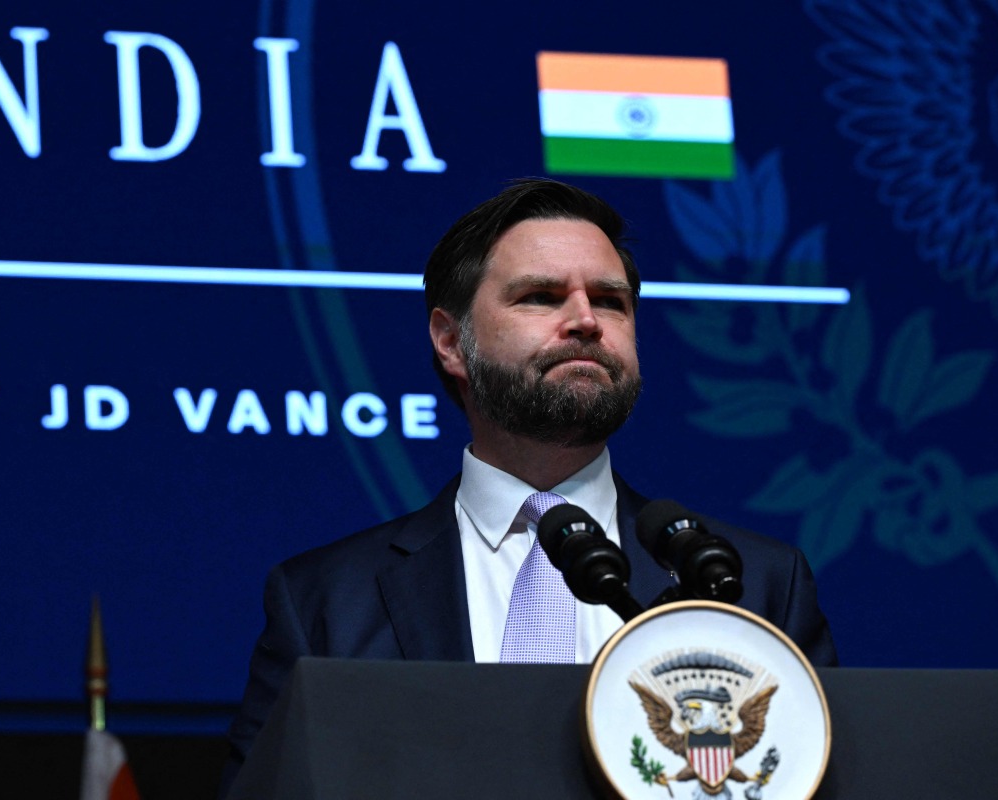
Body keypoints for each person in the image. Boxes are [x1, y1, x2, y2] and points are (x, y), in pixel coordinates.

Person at [220, 178, 836, 790]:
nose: (587, 321)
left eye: (611, 300)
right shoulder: (324, 602)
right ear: (450, 342)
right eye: (542, 297)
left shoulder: (757, 583)